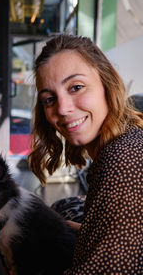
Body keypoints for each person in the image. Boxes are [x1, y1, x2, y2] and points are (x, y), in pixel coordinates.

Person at [28, 34, 143, 274]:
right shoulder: (123, 143)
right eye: (50, 99)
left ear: (106, 83)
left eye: (76, 87)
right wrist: (89, 231)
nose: (63, 108)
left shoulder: (123, 159)